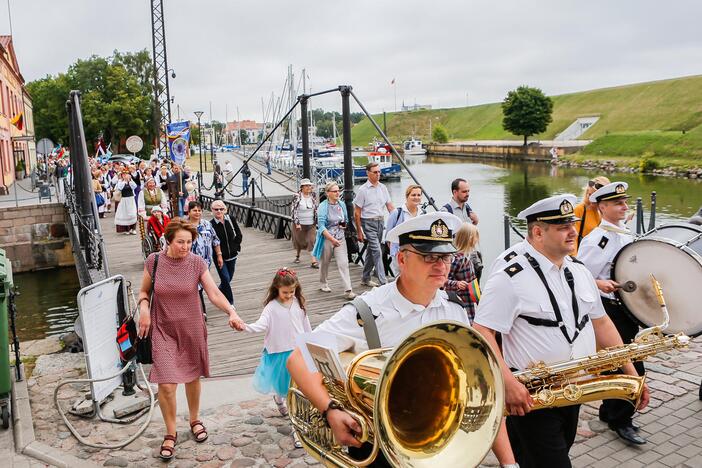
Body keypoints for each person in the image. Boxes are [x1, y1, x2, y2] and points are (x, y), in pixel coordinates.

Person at [287, 212, 517, 466]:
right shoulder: (368, 311)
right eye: (428, 256)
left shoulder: (455, 310)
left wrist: (509, 463)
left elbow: (482, 395)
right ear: (401, 259)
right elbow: (298, 358)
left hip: (435, 441)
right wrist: (330, 410)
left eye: (445, 257)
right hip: (379, 448)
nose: (440, 265)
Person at [472, 194, 649, 468]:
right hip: (531, 395)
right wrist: (508, 384)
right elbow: (482, 332)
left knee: (545, 454)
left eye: (572, 224)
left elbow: (600, 323)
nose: (572, 231)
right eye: (563, 227)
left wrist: (632, 374)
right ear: (538, 232)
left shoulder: (579, 271)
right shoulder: (509, 276)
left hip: (575, 388)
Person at [137, 219, 246, 461]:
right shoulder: (154, 261)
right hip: (163, 328)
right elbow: (144, 291)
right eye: (180, 242)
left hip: (192, 328)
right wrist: (144, 308)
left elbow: (213, 292)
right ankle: (170, 431)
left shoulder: (196, 263)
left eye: (189, 242)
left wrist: (231, 312)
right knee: (166, 384)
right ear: (168, 240)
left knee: (192, 377)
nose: (185, 247)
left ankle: (195, 418)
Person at [576, 181, 646, 445]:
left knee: (619, 361)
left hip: (626, 307)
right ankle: (622, 421)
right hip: (610, 310)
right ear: (602, 206)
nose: (624, 206)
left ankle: (609, 410)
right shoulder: (599, 239)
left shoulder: (620, 231)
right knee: (626, 364)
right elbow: (581, 276)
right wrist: (598, 284)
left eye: (624, 202)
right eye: (618, 203)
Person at [239, 267, 310, 448]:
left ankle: (297, 428)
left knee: (297, 393)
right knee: (286, 389)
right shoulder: (271, 308)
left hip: (298, 352)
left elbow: (306, 326)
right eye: (285, 292)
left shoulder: (298, 303)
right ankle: (284, 406)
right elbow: (261, 325)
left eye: (292, 291)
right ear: (277, 288)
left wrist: (312, 344)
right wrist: (245, 326)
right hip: (279, 354)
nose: (289, 295)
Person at [354, 162, 395, 287]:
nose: (378, 174)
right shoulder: (362, 190)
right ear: (368, 173)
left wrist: (398, 218)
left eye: (379, 172)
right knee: (377, 251)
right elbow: (357, 213)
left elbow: (390, 206)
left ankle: (365, 278)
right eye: (375, 172)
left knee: (372, 251)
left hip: (380, 222)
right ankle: (383, 282)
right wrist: (359, 231)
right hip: (368, 223)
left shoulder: (383, 188)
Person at [312, 182, 355, 299]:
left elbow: (345, 219)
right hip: (327, 239)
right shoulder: (323, 206)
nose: (338, 193)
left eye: (338, 191)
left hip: (340, 238)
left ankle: (348, 290)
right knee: (325, 263)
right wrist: (331, 239)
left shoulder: (342, 204)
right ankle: (323, 283)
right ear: (328, 193)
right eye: (335, 191)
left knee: (343, 263)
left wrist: (344, 225)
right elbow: (321, 226)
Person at [187, 201, 223, 319]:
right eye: (194, 210)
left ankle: (198, 310)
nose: (197, 213)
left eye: (199, 210)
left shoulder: (207, 224)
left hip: (206, 262)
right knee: (196, 286)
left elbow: (215, 240)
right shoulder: (184, 225)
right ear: (189, 211)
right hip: (189, 262)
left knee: (200, 286)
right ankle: (202, 312)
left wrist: (219, 255)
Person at [384, 184, 424, 275]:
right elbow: (388, 236)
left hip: (417, 253)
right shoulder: (396, 213)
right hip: (400, 253)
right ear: (407, 196)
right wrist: (396, 252)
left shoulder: (423, 214)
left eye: (418, 195)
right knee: (400, 279)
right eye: (413, 195)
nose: (416, 197)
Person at [444, 223, 480, 321]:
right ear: (470, 238)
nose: (477, 240)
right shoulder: (456, 259)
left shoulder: (469, 257)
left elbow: (473, 280)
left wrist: (479, 297)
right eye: (476, 236)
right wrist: (456, 284)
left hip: (470, 299)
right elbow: (443, 281)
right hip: (460, 301)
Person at [210, 199, 243, 306]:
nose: (219, 211)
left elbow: (238, 234)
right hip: (220, 257)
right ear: (212, 210)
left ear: (225, 210)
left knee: (228, 279)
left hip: (232, 255)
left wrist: (235, 246)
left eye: (221, 209)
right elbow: (212, 242)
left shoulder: (231, 219)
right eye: (216, 209)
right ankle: (230, 302)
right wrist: (217, 254)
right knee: (225, 278)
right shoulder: (210, 225)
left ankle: (218, 291)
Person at [572, 176, 610, 254]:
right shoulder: (580, 210)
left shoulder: (606, 212)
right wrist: (575, 259)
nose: (591, 199)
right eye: (589, 194)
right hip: (582, 256)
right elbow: (573, 238)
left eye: (595, 197)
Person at [291, 178, 319, 267]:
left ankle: (313, 261)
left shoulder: (313, 195)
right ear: (302, 187)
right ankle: (297, 255)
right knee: (299, 241)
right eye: (306, 186)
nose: (309, 187)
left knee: (311, 241)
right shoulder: (297, 196)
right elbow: (294, 210)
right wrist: (297, 223)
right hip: (300, 223)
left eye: (309, 185)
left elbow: (316, 208)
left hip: (311, 223)